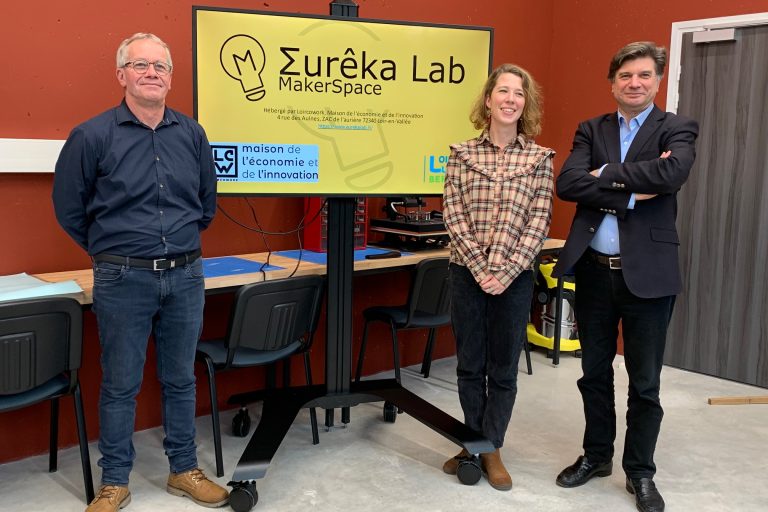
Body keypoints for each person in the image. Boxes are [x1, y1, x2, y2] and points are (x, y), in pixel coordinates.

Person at [53, 33, 227, 511]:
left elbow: (205, 204)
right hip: (123, 278)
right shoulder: (91, 136)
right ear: (121, 75)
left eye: (160, 66)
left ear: (171, 77)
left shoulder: (192, 134)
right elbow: (69, 208)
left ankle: (183, 470)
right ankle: (114, 482)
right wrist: (112, 250)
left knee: (180, 379)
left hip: (185, 275)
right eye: (140, 64)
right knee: (120, 384)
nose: (152, 73)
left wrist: (177, 243)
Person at [552, 42, 698, 512]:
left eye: (644, 75)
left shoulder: (676, 127)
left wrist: (606, 173)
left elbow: (671, 174)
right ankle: (596, 457)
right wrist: (633, 193)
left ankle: (640, 472)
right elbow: (568, 183)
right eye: (625, 76)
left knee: (645, 381)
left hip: (649, 276)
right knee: (593, 374)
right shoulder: (590, 129)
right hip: (593, 272)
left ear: (657, 81)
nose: (635, 83)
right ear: (612, 82)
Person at [442, 64, 555, 491]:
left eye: (519, 93)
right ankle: (472, 441)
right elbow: (453, 214)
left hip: (516, 277)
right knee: (469, 365)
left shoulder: (540, 159)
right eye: (503, 91)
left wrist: (505, 272)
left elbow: (539, 221)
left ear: (526, 104)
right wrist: (479, 267)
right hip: (466, 273)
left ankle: (491, 448)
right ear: (488, 100)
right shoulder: (461, 154)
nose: (511, 99)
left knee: (503, 369)